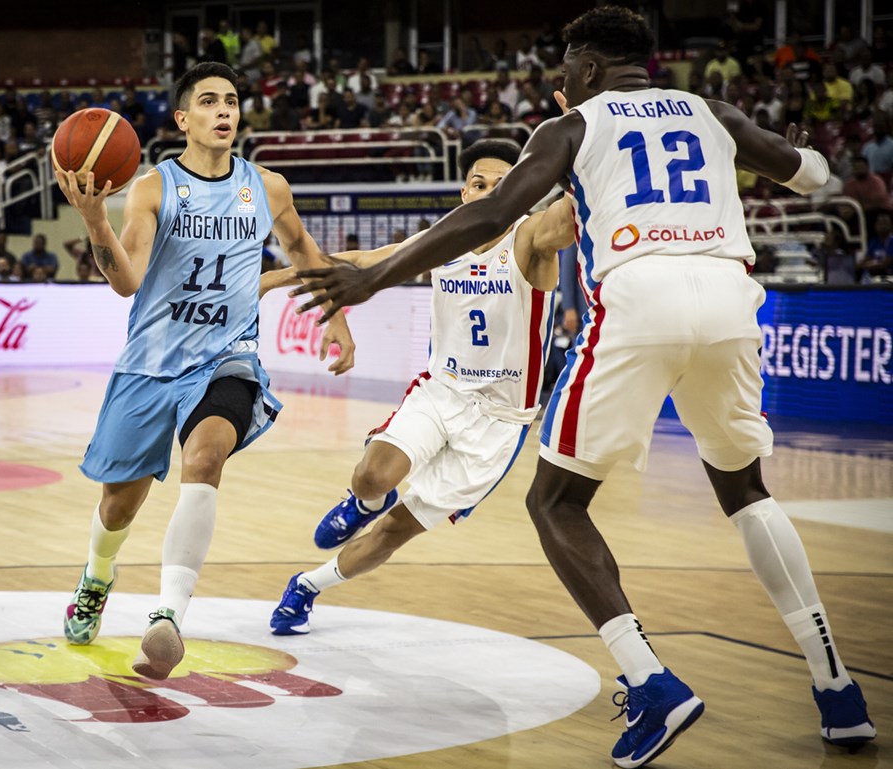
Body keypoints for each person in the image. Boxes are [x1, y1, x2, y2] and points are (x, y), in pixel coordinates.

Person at [290, 7, 875, 767]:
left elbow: (494, 213)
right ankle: (837, 688)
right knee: (747, 491)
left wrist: (372, 278)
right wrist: (809, 160)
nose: (561, 80)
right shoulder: (715, 111)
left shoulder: (572, 127)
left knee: (555, 501)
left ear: (591, 69)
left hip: (640, 295)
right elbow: (812, 175)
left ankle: (650, 680)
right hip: (731, 295)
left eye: (567, 66)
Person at [55, 61, 354, 682]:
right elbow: (127, 281)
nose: (226, 111)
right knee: (119, 504)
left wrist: (336, 316)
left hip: (227, 358)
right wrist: (92, 220)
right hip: (152, 362)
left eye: (233, 101)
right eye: (211, 102)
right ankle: (96, 578)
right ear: (183, 119)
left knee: (206, 458)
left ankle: (168, 617)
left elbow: (301, 251)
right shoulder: (152, 188)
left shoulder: (267, 187)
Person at [270, 139, 574, 635]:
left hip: (498, 421)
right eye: (479, 184)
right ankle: (364, 502)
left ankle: (306, 586)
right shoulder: (443, 242)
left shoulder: (531, 237)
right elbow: (363, 260)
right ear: (463, 191)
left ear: (523, 192)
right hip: (442, 390)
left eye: (503, 186)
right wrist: (269, 281)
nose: (488, 194)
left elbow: (569, 213)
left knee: (394, 533)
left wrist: (585, 138)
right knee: (372, 477)